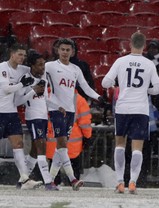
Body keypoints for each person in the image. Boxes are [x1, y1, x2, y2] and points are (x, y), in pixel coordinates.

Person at [101, 32, 159, 194]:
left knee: (120, 145)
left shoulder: (121, 61)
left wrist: (119, 84)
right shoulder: (149, 64)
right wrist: (144, 90)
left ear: (130, 43)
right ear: (144, 45)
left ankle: (120, 182)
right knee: (137, 148)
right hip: (141, 110)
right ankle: (133, 181)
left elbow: (105, 82)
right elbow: (158, 89)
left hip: (123, 108)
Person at [45, 38, 104, 191]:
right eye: (62, 49)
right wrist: (53, 104)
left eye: (67, 50)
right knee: (62, 144)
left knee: (60, 148)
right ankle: (72, 179)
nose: (65, 52)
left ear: (72, 52)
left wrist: (98, 97)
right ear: (58, 50)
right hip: (56, 110)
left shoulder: (76, 69)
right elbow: (40, 84)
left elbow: (85, 87)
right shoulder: (49, 66)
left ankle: (49, 180)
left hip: (70, 111)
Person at [13, 51, 62, 190]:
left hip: (43, 116)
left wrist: (57, 107)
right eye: (40, 65)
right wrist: (32, 91)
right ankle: (48, 182)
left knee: (35, 150)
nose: (43, 68)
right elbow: (17, 101)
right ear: (32, 66)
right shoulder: (25, 79)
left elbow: (45, 99)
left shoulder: (44, 78)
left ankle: (21, 181)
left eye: (44, 65)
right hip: (32, 117)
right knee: (42, 147)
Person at [0, 43, 43, 189]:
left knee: (18, 144)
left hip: (11, 113)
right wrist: (22, 84)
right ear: (11, 54)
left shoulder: (23, 69)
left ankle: (25, 179)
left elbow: (36, 69)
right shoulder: (2, 68)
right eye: (20, 54)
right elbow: (5, 89)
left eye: (24, 56)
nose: (22, 58)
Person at [46, 91, 92, 185]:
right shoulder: (78, 100)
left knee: (54, 167)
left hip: (52, 142)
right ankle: (73, 182)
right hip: (72, 144)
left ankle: (52, 183)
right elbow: (85, 123)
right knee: (74, 167)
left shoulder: (47, 96)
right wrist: (87, 137)